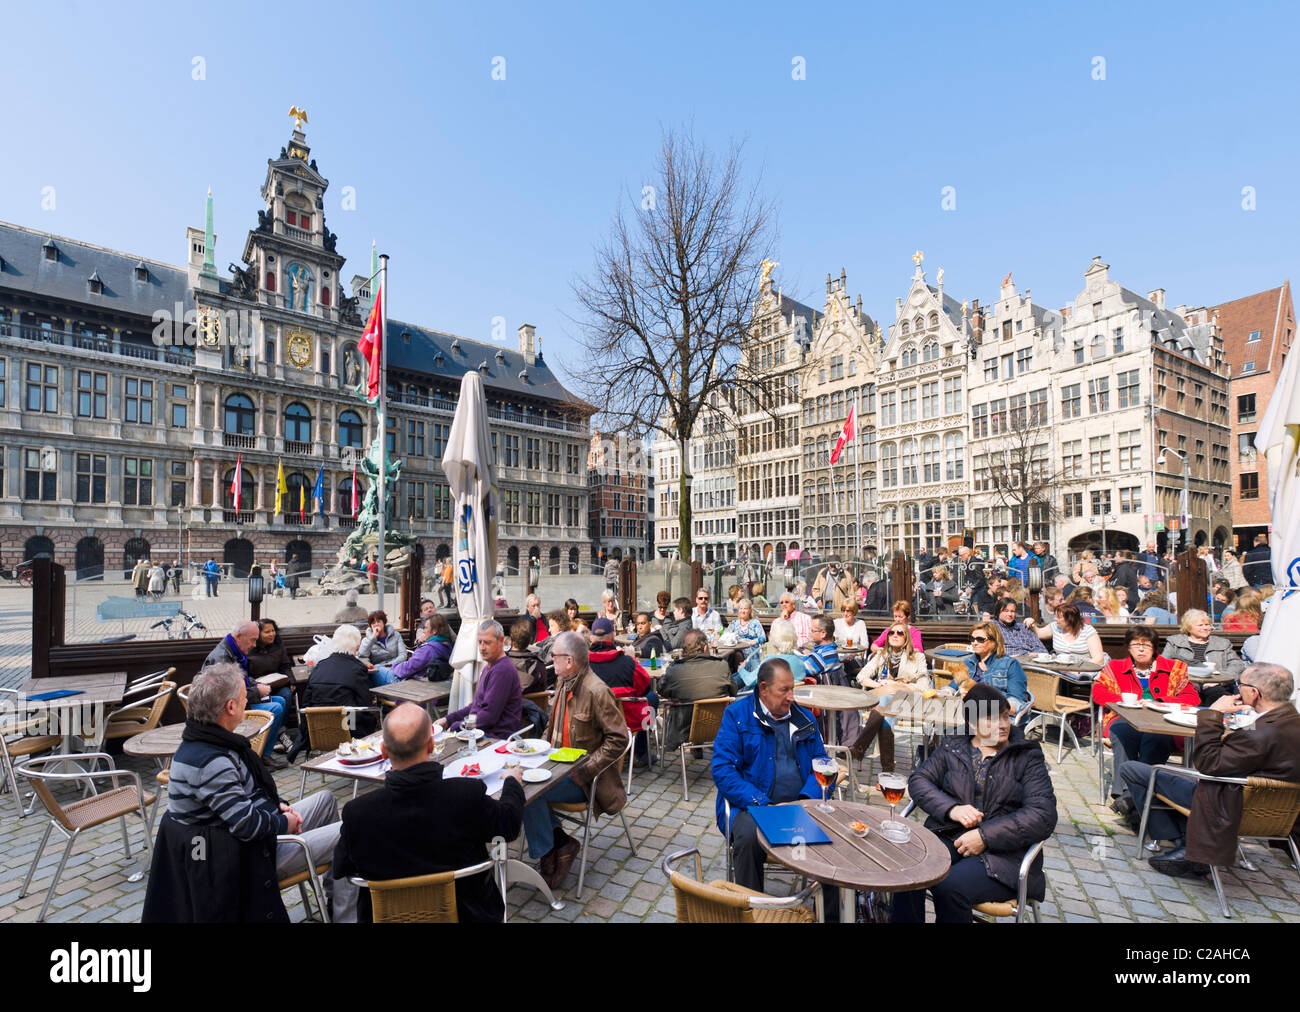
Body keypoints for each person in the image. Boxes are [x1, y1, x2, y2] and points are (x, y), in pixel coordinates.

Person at [143, 665, 357, 923]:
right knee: (351, 832)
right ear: (231, 707)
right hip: (242, 859)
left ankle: (334, 897)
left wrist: (277, 806)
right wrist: (282, 822)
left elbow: (243, 798)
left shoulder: (212, 741)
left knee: (325, 800)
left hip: (243, 839)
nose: (249, 700)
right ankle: (346, 918)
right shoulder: (210, 761)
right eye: (245, 696)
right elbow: (247, 825)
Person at [333, 702, 523, 923]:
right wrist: (512, 784)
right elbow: (508, 825)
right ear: (431, 746)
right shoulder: (465, 795)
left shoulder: (359, 814)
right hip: (468, 914)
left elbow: (342, 867)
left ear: (383, 751)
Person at [891, 684, 1056, 923]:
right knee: (911, 869)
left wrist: (984, 836)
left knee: (949, 886)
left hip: (1004, 854)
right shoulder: (954, 746)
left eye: (1004, 716)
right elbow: (919, 781)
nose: (1002, 725)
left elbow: (1042, 814)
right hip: (951, 836)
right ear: (972, 725)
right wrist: (952, 809)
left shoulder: (1026, 755)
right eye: (990, 719)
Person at [1123, 663, 1300, 878]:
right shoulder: (1287, 723)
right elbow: (1254, 743)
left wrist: (1213, 714)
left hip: (1225, 802)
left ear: (1254, 693)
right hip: (1274, 811)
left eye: (1240, 685)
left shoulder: (1259, 734)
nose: (1237, 690)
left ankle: (1183, 843)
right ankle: (1184, 838)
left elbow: (1208, 764)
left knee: (1133, 769)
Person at [711, 657, 837, 914]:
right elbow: (723, 771)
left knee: (833, 838)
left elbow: (821, 762)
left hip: (800, 804)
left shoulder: (803, 718)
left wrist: (806, 799)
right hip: (752, 806)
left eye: (793, 688)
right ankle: (752, 911)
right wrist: (763, 804)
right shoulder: (737, 715)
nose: (791, 696)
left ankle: (831, 914)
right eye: (784, 690)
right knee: (748, 838)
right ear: (763, 688)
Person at [521, 631, 629, 890]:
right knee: (522, 781)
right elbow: (552, 726)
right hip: (557, 766)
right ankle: (559, 843)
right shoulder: (563, 681)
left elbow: (619, 739)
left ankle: (548, 851)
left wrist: (587, 770)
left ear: (569, 660)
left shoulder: (596, 691)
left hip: (584, 778)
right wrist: (540, 752)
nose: (550, 661)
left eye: (554, 656)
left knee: (528, 793)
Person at [1092, 626, 1198, 816]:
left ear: (1154, 647)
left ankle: (1130, 797)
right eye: (1136, 644)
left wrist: (1160, 701)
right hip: (1124, 716)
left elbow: (1192, 698)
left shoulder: (1174, 668)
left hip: (1162, 720)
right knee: (1121, 731)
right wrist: (1124, 701)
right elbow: (1098, 692)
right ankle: (1129, 792)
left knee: (1156, 737)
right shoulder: (1115, 667)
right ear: (1128, 647)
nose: (1141, 649)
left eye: (1146, 645)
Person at [203, 620, 289, 769]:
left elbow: (241, 677)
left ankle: (264, 754)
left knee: (280, 700)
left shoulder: (233, 650)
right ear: (238, 636)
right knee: (275, 707)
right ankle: (256, 756)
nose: (254, 645)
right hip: (225, 710)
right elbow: (229, 695)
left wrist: (255, 684)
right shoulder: (222, 658)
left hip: (236, 700)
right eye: (253, 640)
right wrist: (257, 691)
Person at [289, 625, 378, 762]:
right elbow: (364, 704)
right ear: (356, 647)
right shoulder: (358, 668)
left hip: (317, 732)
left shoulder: (320, 666)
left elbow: (306, 702)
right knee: (374, 716)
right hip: (349, 730)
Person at [435, 620, 523, 741]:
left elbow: (488, 716)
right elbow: (475, 707)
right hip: (481, 733)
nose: (482, 647)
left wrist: (458, 726)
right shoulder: (490, 666)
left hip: (495, 739)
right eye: (479, 642)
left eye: (487, 642)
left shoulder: (502, 670)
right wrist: (448, 719)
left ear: (501, 641)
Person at [659, 628, 736, 750]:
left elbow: (662, 690)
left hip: (683, 730)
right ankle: (698, 746)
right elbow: (733, 691)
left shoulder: (675, 671)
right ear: (705, 648)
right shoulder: (722, 666)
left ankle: (696, 746)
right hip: (718, 727)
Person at [960, 622, 1027, 712]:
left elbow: (1016, 703)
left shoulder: (1010, 664)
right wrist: (944, 693)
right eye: (972, 639)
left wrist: (982, 702)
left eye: (980, 639)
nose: (974, 643)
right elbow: (951, 688)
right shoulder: (967, 662)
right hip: (970, 714)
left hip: (999, 717)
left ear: (994, 641)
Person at [1162, 609, 1244, 678]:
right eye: (1200, 625)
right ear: (1189, 627)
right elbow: (1163, 662)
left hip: (1216, 683)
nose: (1205, 628)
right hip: (1184, 683)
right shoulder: (1175, 642)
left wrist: (1221, 677)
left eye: (1207, 625)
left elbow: (1237, 664)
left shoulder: (1222, 643)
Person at [375, 614, 454, 683]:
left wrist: (393, 667)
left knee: (376, 669)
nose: (423, 631)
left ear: (434, 631)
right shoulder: (447, 646)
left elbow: (408, 668)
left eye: (426, 628)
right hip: (427, 684)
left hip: (408, 686)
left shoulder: (428, 650)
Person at [1031, 602, 1106, 665]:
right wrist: (1032, 623)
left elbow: (1098, 660)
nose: (1055, 619)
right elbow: (1039, 634)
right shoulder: (1055, 626)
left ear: (1070, 619)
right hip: (1061, 669)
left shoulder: (1087, 630)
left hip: (1084, 668)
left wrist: (1076, 668)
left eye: (1058, 617)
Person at [751, 618, 806, 693]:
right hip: (793, 699)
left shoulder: (770, 661)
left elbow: (750, 681)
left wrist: (741, 670)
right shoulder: (800, 661)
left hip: (769, 700)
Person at [726, 598, 766, 674]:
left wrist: (752, 642)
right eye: (741, 608)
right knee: (733, 654)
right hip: (736, 649)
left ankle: (742, 676)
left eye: (745, 609)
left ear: (750, 610)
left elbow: (763, 637)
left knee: (737, 655)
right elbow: (726, 635)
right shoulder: (734, 623)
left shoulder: (755, 622)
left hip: (751, 651)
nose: (743, 611)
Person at [507, 618, 547, 693]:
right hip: (536, 704)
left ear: (511, 641)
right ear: (530, 641)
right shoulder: (539, 665)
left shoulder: (500, 666)